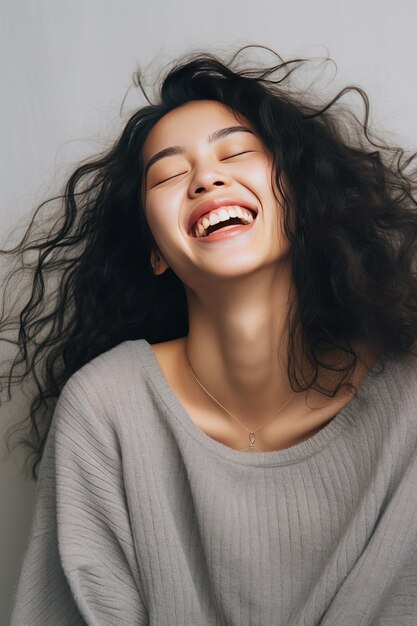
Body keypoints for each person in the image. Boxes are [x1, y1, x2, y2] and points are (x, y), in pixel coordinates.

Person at [5, 45, 417, 624]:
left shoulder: (408, 397)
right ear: (155, 253)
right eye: (170, 174)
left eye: (238, 152)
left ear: (302, 201)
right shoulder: (107, 408)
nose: (206, 178)